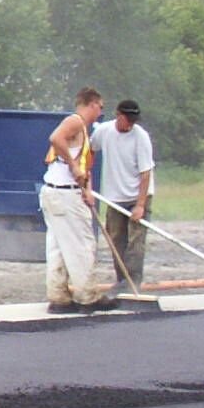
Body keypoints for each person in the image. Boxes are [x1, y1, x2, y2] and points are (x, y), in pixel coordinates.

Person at [41, 87, 113, 313]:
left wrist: (87, 190)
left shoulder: (85, 131)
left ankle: (59, 298)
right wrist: (72, 166)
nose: (100, 112)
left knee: (58, 248)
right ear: (91, 104)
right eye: (100, 107)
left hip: (56, 193)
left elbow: (84, 168)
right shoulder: (75, 121)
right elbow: (55, 138)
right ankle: (87, 296)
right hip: (64, 195)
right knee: (82, 245)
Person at [91, 99, 154, 292]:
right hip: (115, 196)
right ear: (118, 116)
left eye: (134, 120)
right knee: (116, 240)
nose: (131, 124)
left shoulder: (141, 137)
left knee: (135, 242)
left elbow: (145, 173)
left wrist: (140, 205)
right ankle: (121, 280)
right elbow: (91, 150)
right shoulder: (104, 131)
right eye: (128, 120)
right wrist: (85, 177)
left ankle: (133, 282)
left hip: (138, 195)